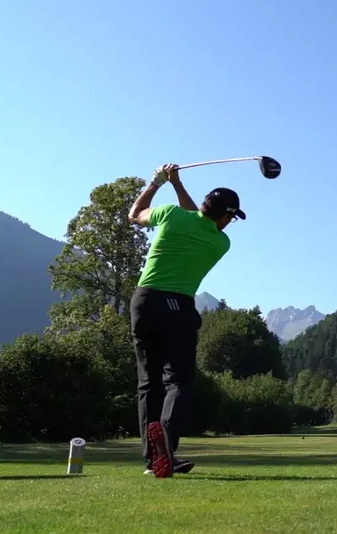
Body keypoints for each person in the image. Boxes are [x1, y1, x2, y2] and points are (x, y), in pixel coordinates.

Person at [127, 163, 245, 478]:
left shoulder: (170, 214)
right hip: (178, 306)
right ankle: (166, 442)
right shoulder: (220, 242)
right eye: (231, 218)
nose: (230, 223)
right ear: (224, 216)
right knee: (177, 380)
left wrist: (158, 183)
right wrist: (177, 184)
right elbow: (197, 219)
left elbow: (135, 215)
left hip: (144, 302)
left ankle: (153, 460)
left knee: (148, 383)